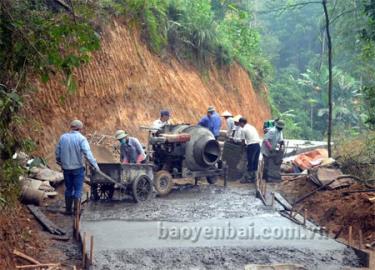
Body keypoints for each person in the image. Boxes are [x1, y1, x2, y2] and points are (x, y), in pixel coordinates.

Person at [56, 120, 99, 215]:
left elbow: (58, 153)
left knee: (69, 189)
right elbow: (87, 153)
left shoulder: (62, 137)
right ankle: (76, 211)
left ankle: (68, 210)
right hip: (78, 169)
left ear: (71, 127)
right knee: (78, 189)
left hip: (66, 168)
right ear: (80, 129)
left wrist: (60, 161)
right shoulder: (81, 139)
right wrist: (95, 165)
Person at [238, 117, 261, 183]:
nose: (240, 125)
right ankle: (254, 177)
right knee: (255, 161)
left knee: (250, 161)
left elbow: (242, 141)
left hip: (252, 146)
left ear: (242, 123)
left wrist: (241, 149)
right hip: (257, 145)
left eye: (240, 124)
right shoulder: (252, 127)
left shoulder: (243, 129)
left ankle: (248, 178)